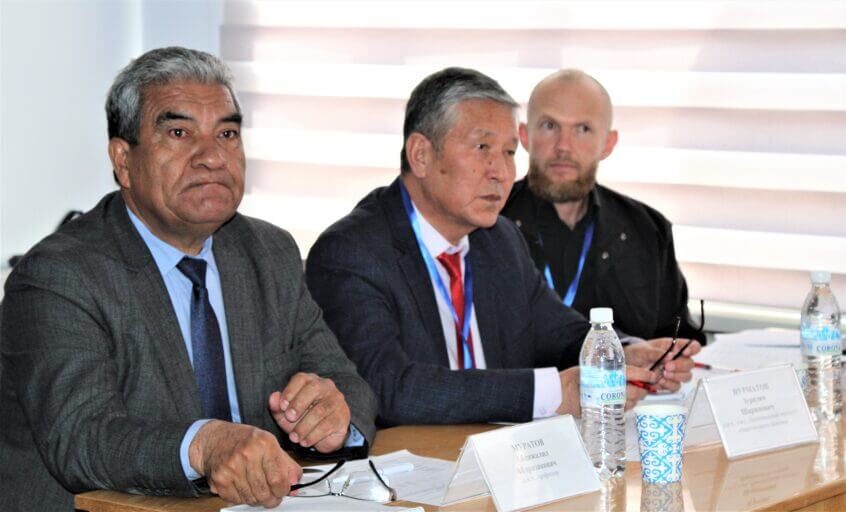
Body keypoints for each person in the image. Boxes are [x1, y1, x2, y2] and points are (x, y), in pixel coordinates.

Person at [0, 47, 377, 511]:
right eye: (179, 133)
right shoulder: (60, 276)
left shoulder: (269, 252)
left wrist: (334, 418)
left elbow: (347, 383)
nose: (213, 157)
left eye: (227, 134)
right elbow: (84, 438)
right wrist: (204, 446)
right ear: (123, 160)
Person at [306, 67, 699, 427]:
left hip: (502, 461)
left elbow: (560, 332)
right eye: (482, 148)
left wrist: (619, 353)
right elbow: (386, 388)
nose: (501, 172)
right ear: (421, 155)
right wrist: (554, 393)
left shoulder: (498, 239)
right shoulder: (352, 253)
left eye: (509, 153)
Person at [502, 69, 704, 342]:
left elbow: (676, 336)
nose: (564, 146)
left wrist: (675, 355)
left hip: (628, 373)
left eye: (583, 129)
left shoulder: (647, 230)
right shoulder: (488, 225)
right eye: (550, 126)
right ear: (524, 136)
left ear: (607, 144)